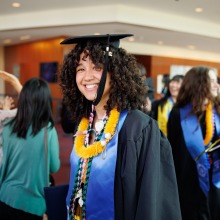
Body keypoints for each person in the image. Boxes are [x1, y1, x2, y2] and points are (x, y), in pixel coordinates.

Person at [59, 34, 181, 220]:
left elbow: (150, 201)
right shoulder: (84, 124)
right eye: (80, 69)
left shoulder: (138, 127)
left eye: (97, 67)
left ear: (115, 72)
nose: (87, 77)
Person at [0, 78, 60, 220]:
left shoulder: (8, 126)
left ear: (22, 99)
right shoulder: (48, 130)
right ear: (46, 102)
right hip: (33, 206)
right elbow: (54, 167)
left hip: (4, 197)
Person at [167, 66, 220, 220]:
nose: (217, 85)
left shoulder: (217, 111)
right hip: (189, 185)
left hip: (215, 181)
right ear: (199, 84)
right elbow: (174, 153)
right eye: (212, 81)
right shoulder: (179, 114)